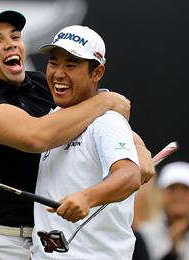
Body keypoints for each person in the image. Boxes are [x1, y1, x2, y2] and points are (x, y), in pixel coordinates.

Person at [0, 10, 154, 260]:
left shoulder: (40, 86)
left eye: (15, 36)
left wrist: (138, 149)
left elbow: (100, 120)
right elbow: (36, 136)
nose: (10, 44)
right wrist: (106, 98)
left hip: (35, 246)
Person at [30, 25, 141, 259]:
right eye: (53, 62)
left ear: (97, 73)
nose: (58, 73)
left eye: (71, 65)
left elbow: (130, 175)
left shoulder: (107, 121)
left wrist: (86, 197)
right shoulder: (50, 121)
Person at [138, 161, 189, 260]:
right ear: (160, 194)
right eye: (172, 189)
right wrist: (172, 252)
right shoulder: (143, 233)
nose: (179, 195)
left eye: (186, 189)